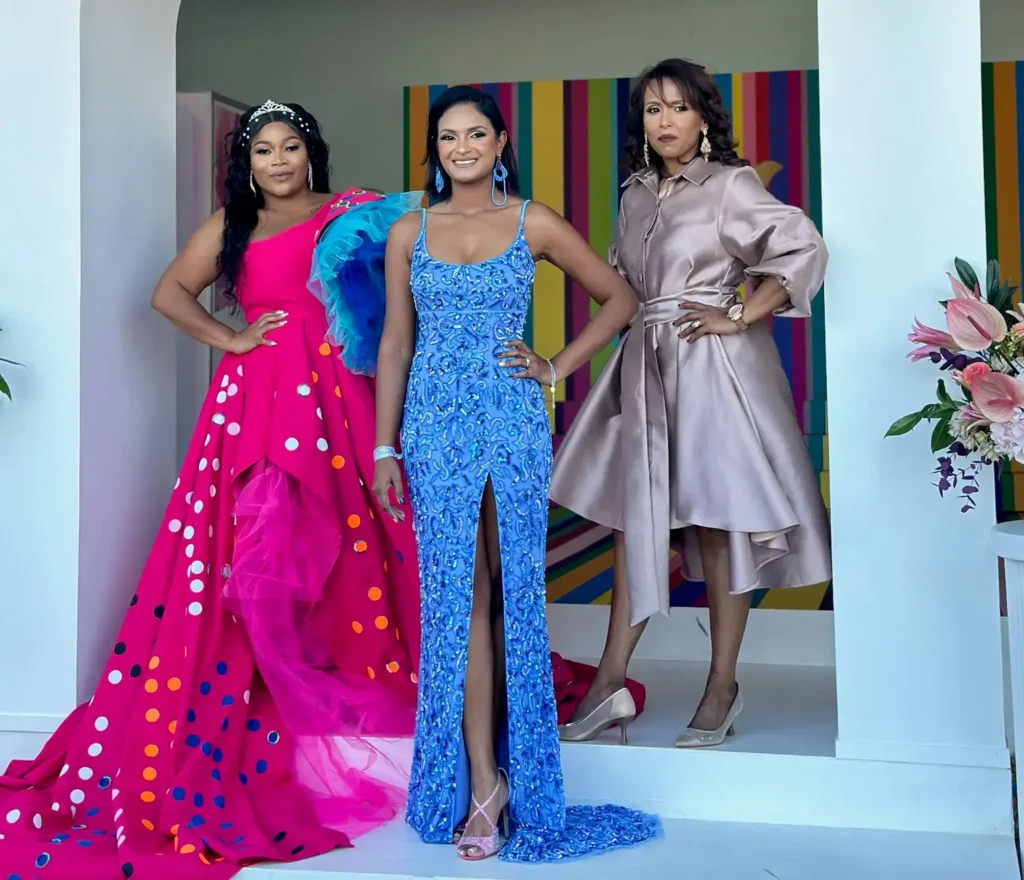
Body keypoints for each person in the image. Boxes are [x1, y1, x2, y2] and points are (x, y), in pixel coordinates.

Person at [0, 101, 422, 878]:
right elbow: (167, 294)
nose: (280, 161)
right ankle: (268, 670)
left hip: (334, 391)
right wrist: (230, 337)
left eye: (291, 147)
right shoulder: (231, 224)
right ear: (247, 162)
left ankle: (351, 667)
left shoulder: (348, 212)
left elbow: (402, 280)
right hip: (257, 395)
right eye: (264, 151)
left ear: (310, 153)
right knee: (261, 536)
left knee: (353, 526)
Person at [371, 85, 659, 863]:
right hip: (432, 428)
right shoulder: (409, 231)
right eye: (447, 137)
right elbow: (396, 345)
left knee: (511, 600)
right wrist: (383, 447)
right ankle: (480, 785)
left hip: (509, 420)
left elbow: (619, 298)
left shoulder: (533, 222)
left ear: (500, 142)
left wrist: (554, 365)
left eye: (475, 135)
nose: (461, 148)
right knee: (457, 602)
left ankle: (522, 785)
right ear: (435, 149)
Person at [552, 59, 831, 748]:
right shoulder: (634, 193)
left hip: (717, 369)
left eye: (679, 108)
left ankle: (722, 686)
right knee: (633, 521)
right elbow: (621, 288)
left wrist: (741, 312)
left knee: (718, 521)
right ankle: (610, 680)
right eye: (652, 110)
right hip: (648, 364)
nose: (665, 121)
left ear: (704, 117)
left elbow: (803, 246)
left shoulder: (732, 185)